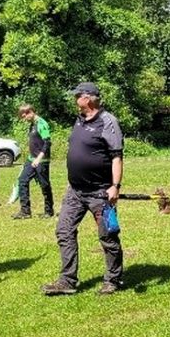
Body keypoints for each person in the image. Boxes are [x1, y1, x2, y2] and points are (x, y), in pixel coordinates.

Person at [41, 83, 125, 296]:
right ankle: (67, 281)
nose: (74, 100)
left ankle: (113, 280)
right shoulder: (79, 120)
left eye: (77, 96)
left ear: (87, 98)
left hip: (100, 192)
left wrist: (115, 186)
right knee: (64, 231)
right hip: (75, 191)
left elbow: (116, 156)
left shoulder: (108, 121)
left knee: (108, 236)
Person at [14, 103, 54, 219]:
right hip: (31, 159)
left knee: (44, 185)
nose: (24, 119)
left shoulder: (42, 124)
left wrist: (39, 158)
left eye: (24, 116)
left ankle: (49, 211)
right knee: (22, 181)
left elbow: (47, 143)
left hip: (41, 160)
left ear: (30, 112)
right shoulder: (32, 124)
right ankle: (25, 211)